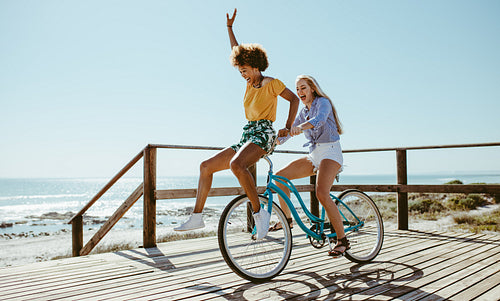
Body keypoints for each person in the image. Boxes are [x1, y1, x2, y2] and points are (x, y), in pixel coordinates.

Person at [174, 9, 299, 240]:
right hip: (248, 133)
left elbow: (294, 99)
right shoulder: (250, 84)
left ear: (254, 65)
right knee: (205, 166)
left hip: (264, 133)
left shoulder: (272, 83)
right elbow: (236, 51)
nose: (242, 75)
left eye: (244, 71)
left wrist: (288, 125)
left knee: (236, 165)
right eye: (240, 71)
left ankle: (260, 214)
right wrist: (229, 28)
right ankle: (197, 216)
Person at [271, 75, 349, 257]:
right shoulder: (303, 111)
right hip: (314, 155)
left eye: (303, 88)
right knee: (280, 177)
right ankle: (287, 219)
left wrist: (301, 127)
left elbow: (319, 120)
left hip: (331, 152)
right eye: (297, 89)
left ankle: (342, 240)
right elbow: (289, 133)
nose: (300, 92)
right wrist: (274, 142)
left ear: (312, 88)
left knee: (321, 193)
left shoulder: (323, 102)